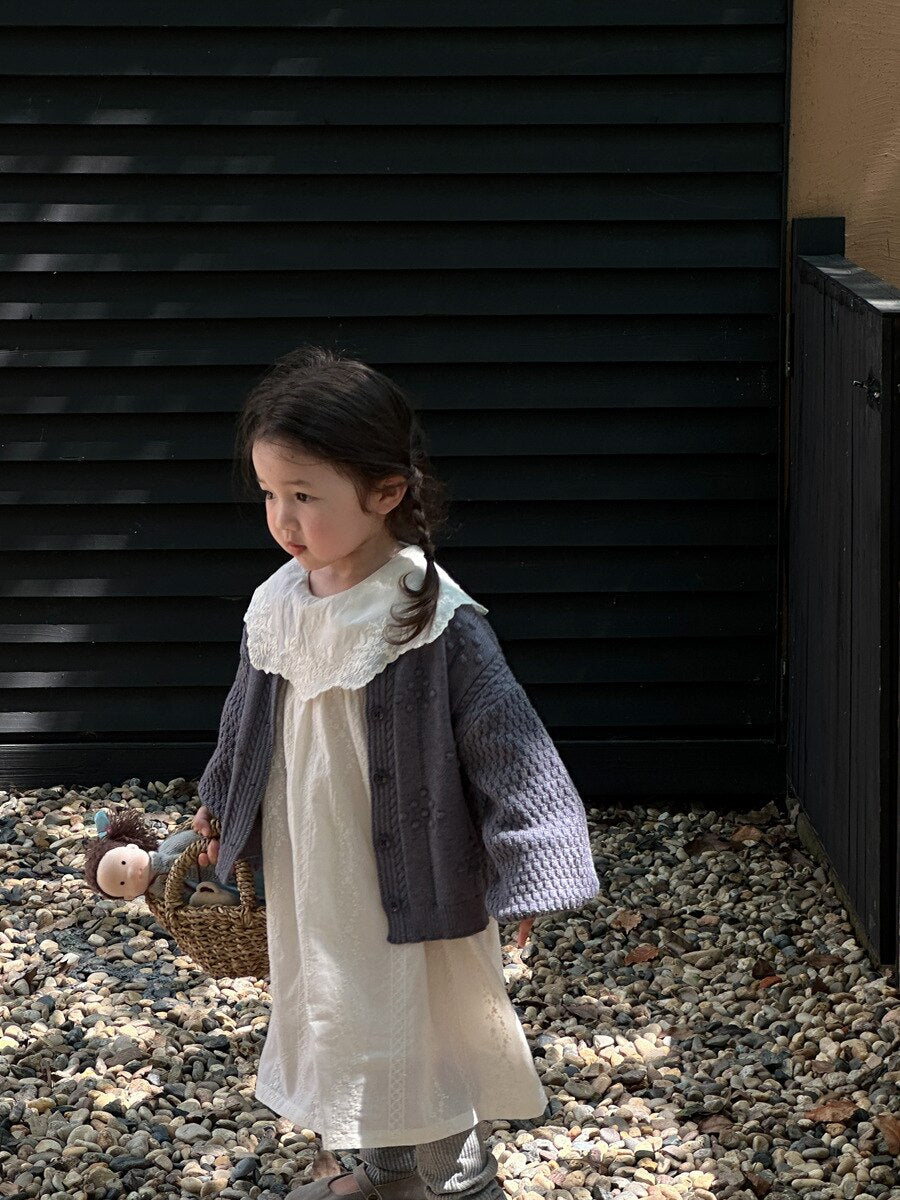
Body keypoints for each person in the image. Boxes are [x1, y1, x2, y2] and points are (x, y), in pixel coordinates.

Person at [191, 345, 601, 1200]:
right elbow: (246, 720)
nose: (283, 519)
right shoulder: (278, 602)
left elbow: (507, 742)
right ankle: (381, 1171)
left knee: (416, 1020)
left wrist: (530, 866)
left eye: (305, 496)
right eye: (271, 494)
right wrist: (222, 803)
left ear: (385, 493)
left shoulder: (427, 616)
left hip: (405, 877)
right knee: (341, 1014)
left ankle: (455, 1177)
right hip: (318, 870)